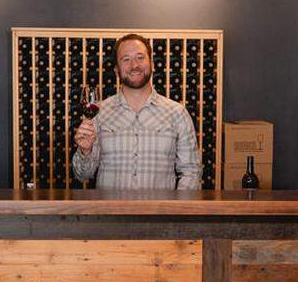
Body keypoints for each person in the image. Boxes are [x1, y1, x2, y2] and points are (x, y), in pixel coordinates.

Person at [72, 33, 201, 190]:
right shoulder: (99, 113)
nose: (135, 65)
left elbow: (191, 172)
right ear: (116, 70)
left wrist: (174, 211)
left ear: (151, 63)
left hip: (160, 213)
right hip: (109, 214)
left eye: (140, 57)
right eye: (126, 59)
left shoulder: (177, 113)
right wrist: (85, 151)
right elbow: (82, 175)